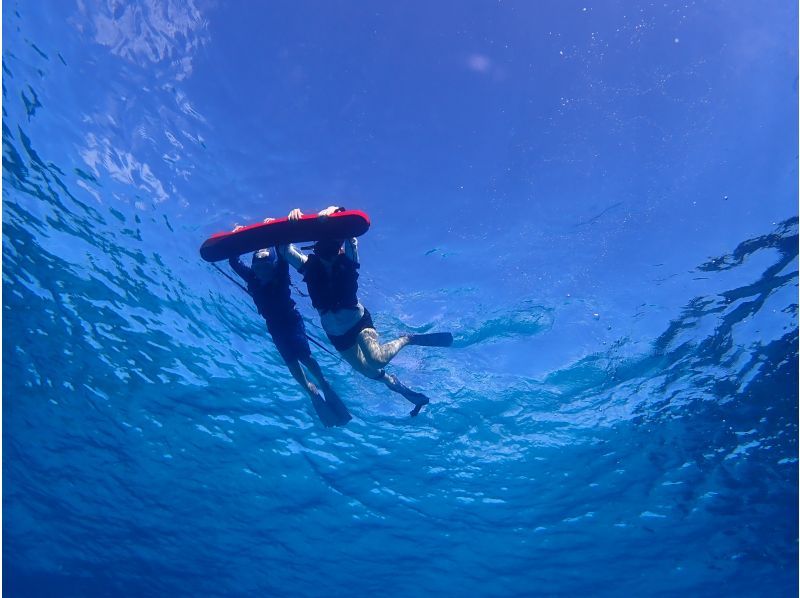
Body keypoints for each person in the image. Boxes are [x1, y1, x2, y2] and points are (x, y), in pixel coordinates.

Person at [278, 206, 453, 416]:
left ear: (340, 247)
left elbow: (351, 227)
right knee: (371, 373)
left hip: (358, 322)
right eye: (323, 250)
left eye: (332, 250)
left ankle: (406, 339)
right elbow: (284, 250)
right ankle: (410, 395)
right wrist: (292, 221)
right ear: (316, 250)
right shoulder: (307, 266)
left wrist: (333, 210)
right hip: (336, 334)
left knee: (376, 359)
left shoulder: (349, 260)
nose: (328, 256)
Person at [228, 220, 351, 427]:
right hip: (275, 327)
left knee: (304, 356)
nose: (261, 272)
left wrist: (275, 232)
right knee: (290, 362)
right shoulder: (251, 278)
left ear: (273, 265)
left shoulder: (280, 274)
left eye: (266, 267)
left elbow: (281, 250)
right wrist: (237, 238)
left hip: (292, 321)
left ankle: (323, 383)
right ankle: (310, 389)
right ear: (254, 267)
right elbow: (234, 262)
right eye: (258, 268)